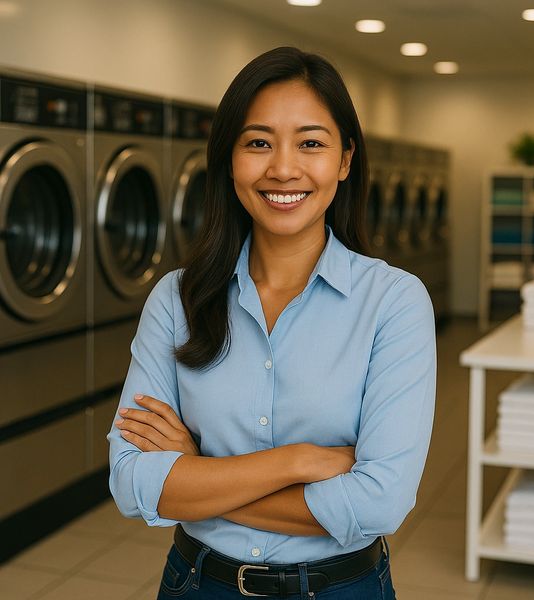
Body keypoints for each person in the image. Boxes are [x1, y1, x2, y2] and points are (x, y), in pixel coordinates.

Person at [108, 46, 436, 600]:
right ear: (229, 159)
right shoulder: (177, 299)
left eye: (311, 143)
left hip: (340, 588)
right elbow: (131, 481)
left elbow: (379, 502)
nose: (283, 168)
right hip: (198, 583)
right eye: (258, 142)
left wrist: (198, 473)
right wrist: (299, 462)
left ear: (346, 160)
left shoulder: (393, 302)